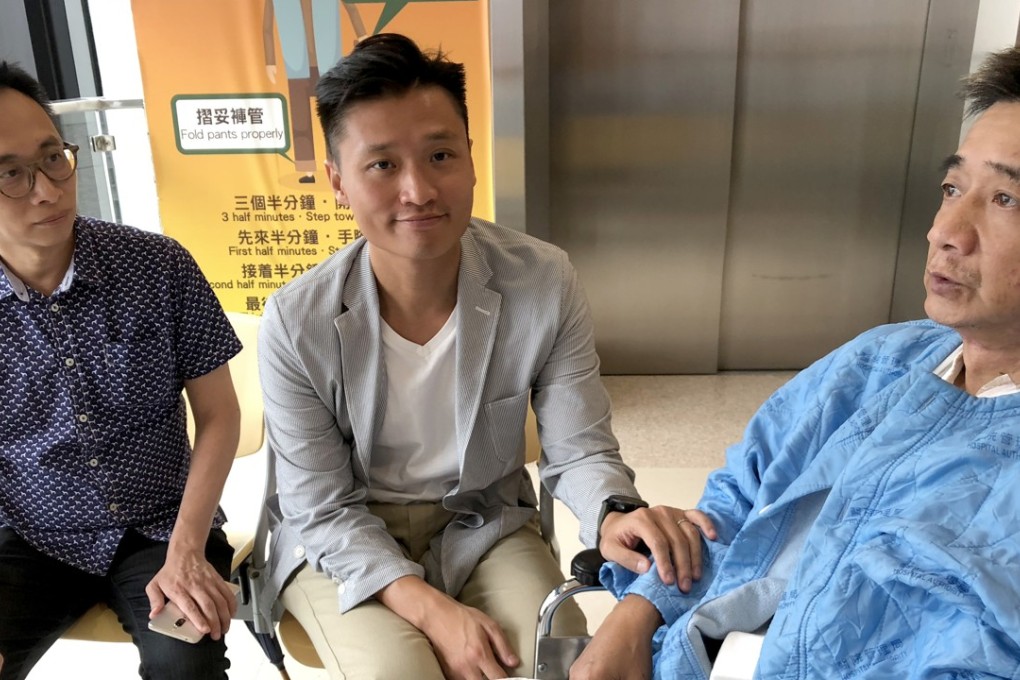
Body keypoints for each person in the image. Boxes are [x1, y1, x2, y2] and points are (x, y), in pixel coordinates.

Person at [257, 33, 715, 680]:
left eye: (440, 154)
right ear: (337, 182)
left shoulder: (542, 281)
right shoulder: (296, 322)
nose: (418, 190)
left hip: (484, 521)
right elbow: (321, 508)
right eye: (382, 165)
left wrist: (613, 513)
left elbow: (580, 447)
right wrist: (435, 613)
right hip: (344, 537)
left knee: (552, 659)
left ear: (471, 159)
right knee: (401, 671)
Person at [570, 45, 1020, 680]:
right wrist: (636, 615)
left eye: (1006, 199)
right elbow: (738, 495)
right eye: (953, 188)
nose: (947, 231)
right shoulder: (882, 362)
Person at [0, 62, 242, 679]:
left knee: (186, 666)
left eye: (54, 158)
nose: (48, 190)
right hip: (31, 537)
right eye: (11, 174)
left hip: (164, 528)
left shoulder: (157, 265)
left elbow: (219, 415)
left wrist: (188, 550)